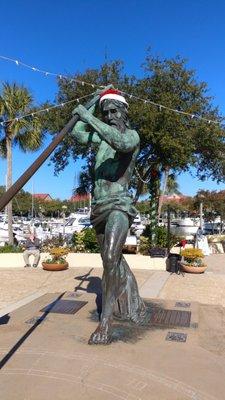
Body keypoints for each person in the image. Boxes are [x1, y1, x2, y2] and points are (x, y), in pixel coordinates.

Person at [72, 88, 146, 345]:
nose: (110, 116)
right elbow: (78, 134)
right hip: (99, 208)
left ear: (124, 111)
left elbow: (120, 142)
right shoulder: (101, 138)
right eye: (106, 112)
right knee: (111, 261)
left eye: (114, 111)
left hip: (119, 206)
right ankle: (130, 303)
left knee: (111, 256)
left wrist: (87, 115)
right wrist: (91, 107)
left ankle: (105, 323)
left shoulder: (131, 136)